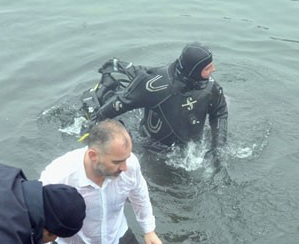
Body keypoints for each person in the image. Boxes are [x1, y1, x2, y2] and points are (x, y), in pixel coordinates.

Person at [39, 119, 164, 244]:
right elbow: (36, 223)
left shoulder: (129, 165)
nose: (125, 167)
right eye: (117, 162)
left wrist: (149, 230)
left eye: (126, 158)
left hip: (118, 241)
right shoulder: (58, 176)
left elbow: (139, 194)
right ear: (93, 155)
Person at [84, 42, 228, 160]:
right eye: (208, 68)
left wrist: (218, 146)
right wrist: (94, 124)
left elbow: (220, 112)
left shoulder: (210, 87)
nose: (213, 70)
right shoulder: (155, 87)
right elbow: (122, 103)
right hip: (152, 146)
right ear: (194, 71)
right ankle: (106, 89)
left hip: (190, 148)